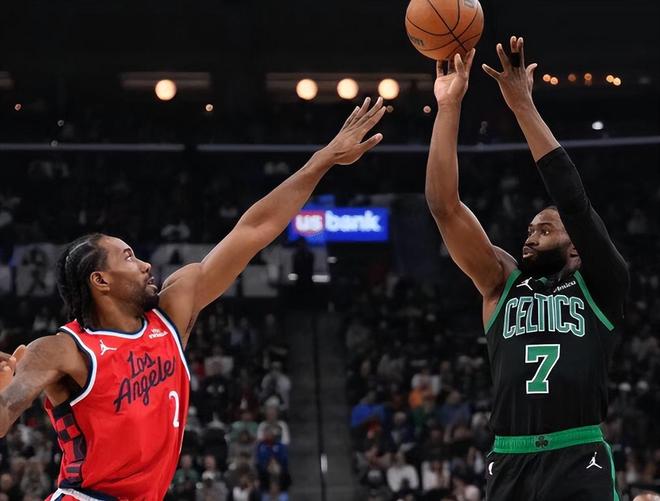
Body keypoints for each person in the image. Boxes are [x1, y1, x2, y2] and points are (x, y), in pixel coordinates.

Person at [0, 97, 386, 500]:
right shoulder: (62, 349)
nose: (146, 265)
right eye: (129, 257)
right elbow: (5, 414)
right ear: (101, 280)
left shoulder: (172, 313)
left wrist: (322, 160)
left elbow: (253, 229)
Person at [425, 37, 628, 500]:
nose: (530, 236)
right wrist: (449, 107)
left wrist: (522, 106)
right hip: (510, 458)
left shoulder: (602, 285)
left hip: (578, 454)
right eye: (530, 229)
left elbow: (573, 201)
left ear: (576, 246)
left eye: (545, 229)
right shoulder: (502, 282)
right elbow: (444, 207)